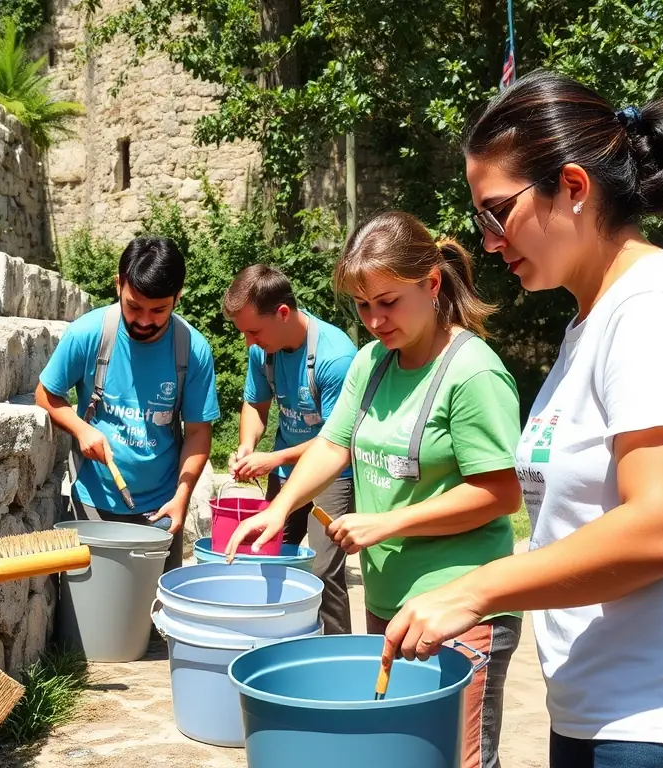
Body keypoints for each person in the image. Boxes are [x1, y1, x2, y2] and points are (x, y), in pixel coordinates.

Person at [378, 70, 663, 768]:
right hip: (599, 713)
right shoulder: (589, 320)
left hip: (662, 725)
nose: (491, 240)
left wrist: (475, 589)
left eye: (497, 211)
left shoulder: (658, 307)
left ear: (572, 186)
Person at [226, 212, 525, 768]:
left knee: (461, 759)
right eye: (364, 306)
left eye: (388, 302)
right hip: (389, 608)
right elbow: (333, 447)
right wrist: (281, 506)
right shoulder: (371, 362)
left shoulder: (472, 373)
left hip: (462, 610)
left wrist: (387, 523)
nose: (375, 320)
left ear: (431, 285)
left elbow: (501, 494)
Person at [36, 237, 220, 573]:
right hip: (93, 505)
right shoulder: (89, 334)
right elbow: (46, 395)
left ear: (178, 296)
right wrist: (81, 429)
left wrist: (181, 498)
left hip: (162, 511)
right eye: (133, 306)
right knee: (95, 615)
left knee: (154, 615)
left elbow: (197, 434)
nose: (145, 321)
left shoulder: (192, 350)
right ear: (118, 283)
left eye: (159, 310)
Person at [223, 264, 358, 635]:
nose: (249, 342)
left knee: (321, 571)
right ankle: (272, 642)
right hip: (284, 476)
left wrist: (275, 457)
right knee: (267, 556)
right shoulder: (262, 352)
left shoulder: (336, 357)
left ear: (283, 313)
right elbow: (255, 405)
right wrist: (248, 446)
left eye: (254, 331)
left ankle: (335, 655)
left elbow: (337, 440)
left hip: (333, 477)